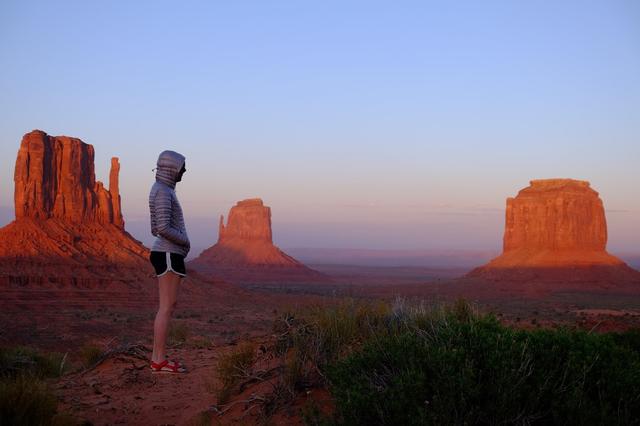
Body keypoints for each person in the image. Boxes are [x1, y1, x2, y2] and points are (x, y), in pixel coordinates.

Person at [148, 150, 190, 373]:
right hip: (168, 253)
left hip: (167, 252)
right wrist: (185, 241)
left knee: (167, 307)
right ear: (171, 167)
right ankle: (159, 361)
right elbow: (162, 228)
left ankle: (157, 357)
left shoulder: (161, 190)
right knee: (166, 307)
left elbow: (155, 227)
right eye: (181, 167)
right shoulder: (163, 192)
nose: (184, 171)